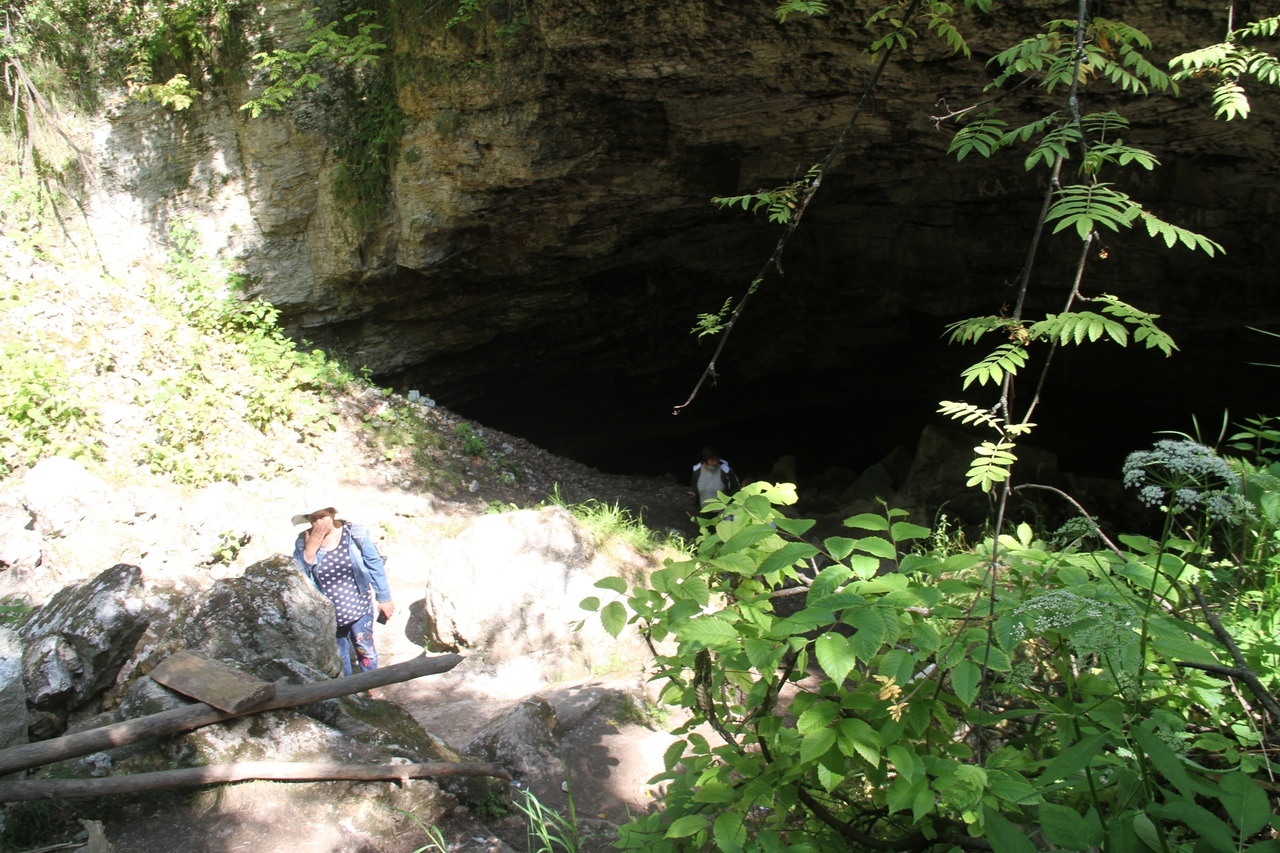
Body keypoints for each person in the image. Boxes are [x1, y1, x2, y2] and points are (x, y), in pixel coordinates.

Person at [291, 506, 394, 677]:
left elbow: (373, 562)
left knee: (365, 649)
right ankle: (347, 692)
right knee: (339, 655)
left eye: (322, 516)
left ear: (332, 513)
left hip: (359, 607)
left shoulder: (353, 534)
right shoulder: (303, 541)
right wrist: (310, 551)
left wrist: (384, 598)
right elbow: (297, 576)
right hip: (328, 614)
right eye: (312, 519)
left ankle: (371, 685)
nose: (318, 523)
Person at [689, 446, 741, 514]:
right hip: (704, 509)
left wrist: (729, 505)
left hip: (722, 511)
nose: (715, 463)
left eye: (716, 460)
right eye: (712, 461)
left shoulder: (725, 470)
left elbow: (735, 487)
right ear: (705, 460)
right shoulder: (697, 471)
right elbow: (693, 484)